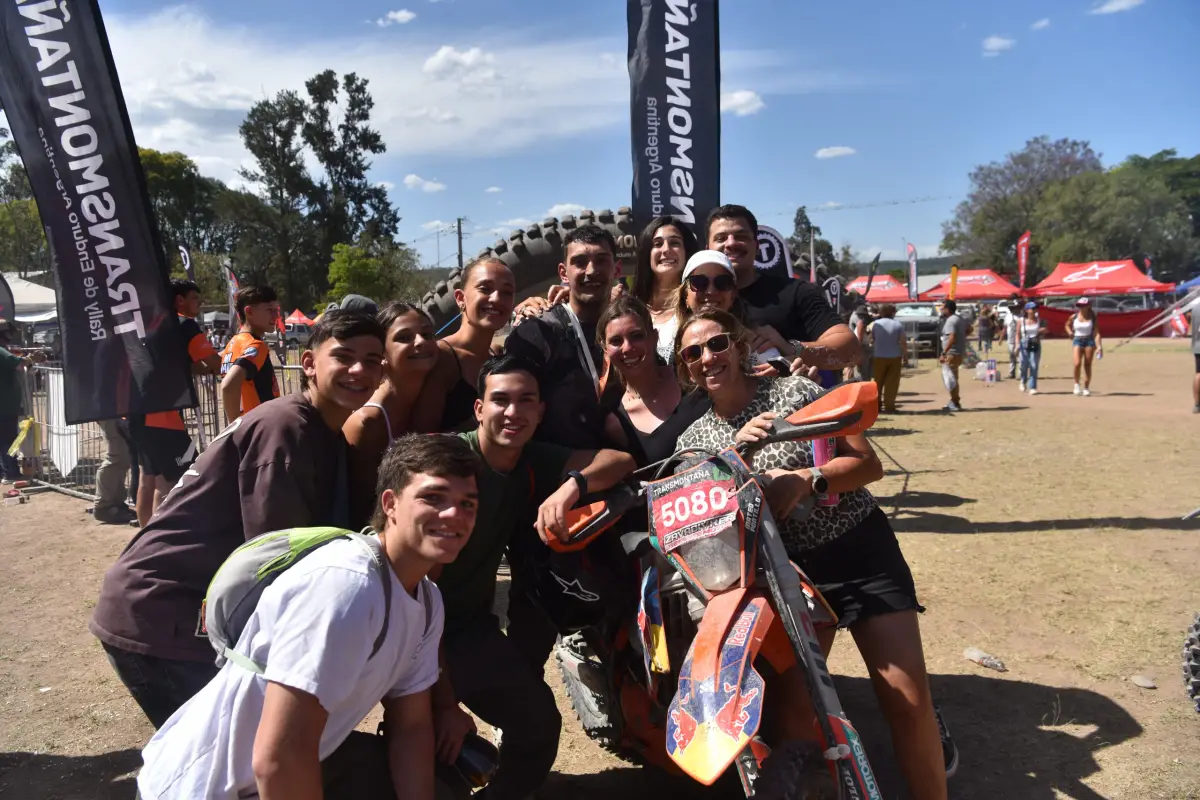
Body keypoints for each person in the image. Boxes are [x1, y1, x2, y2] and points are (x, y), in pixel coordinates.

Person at [673, 310, 950, 799]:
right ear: (684, 367)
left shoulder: (795, 395)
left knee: (906, 701)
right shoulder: (692, 444)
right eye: (692, 353)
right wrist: (735, 457)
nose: (707, 358)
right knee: (796, 719)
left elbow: (866, 465)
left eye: (716, 344)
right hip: (785, 577)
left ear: (738, 346)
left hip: (857, 552)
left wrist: (806, 480)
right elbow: (705, 532)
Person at [136, 434, 481, 800]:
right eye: (433, 497)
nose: (454, 515)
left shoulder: (427, 600)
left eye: (467, 504)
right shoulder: (347, 588)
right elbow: (279, 759)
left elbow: (411, 727)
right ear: (391, 504)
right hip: (203, 790)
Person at [90, 310, 386, 728]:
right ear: (308, 364)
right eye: (344, 356)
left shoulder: (321, 430)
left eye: (372, 360)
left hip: (179, 612)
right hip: (162, 616)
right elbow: (277, 556)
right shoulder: (286, 428)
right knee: (221, 767)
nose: (359, 369)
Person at [430, 354, 636, 800]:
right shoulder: (446, 464)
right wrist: (444, 704)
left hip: (469, 629)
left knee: (538, 725)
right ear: (479, 408)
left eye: (526, 401)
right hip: (410, 639)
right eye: (500, 400)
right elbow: (412, 596)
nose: (513, 411)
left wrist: (572, 486)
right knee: (434, 751)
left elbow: (618, 461)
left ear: (541, 411)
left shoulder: (529, 461)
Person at [503, 224, 627, 450]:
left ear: (617, 269)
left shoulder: (630, 332)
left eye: (601, 260)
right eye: (580, 262)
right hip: (557, 473)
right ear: (563, 273)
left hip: (626, 468)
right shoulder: (537, 333)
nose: (591, 271)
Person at [704, 204, 860, 373]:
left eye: (741, 236)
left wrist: (791, 349)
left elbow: (850, 351)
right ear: (707, 249)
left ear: (757, 246)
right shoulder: (694, 298)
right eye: (721, 238)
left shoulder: (795, 292)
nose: (731, 243)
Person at [129, 280, 223, 527]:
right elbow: (215, 362)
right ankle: (162, 539)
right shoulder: (184, 325)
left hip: (137, 411)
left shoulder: (153, 325)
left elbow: (180, 365)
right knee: (171, 480)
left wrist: (200, 368)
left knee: (147, 477)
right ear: (179, 300)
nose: (199, 303)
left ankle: (144, 536)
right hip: (163, 414)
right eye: (194, 298)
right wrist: (236, 362)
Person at [345, 303, 440, 529]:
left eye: (427, 334)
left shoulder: (432, 401)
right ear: (382, 355)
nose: (420, 342)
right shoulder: (367, 422)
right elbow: (360, 510)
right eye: (404, 337)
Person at [597, 295, 710, 465]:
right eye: (616, 341)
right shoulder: (616, 424)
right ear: (605, 348)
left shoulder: (690, 375)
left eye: (636, 336)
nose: (627, 347)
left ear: (654, 337)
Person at [413, 258, 516, 433]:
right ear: (461, 298)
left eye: (507, 292)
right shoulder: (441, 358)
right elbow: (423, 439)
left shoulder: (498, 355)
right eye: (485, 289)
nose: (497, 298)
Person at [630, 215, 699, 362]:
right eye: (657, 244)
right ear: (647, 253)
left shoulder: (698, 307)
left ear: (687, 252)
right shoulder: (629, 308)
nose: (666, 250)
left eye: (675, 243)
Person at [220, 285, 282, 425]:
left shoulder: (233, 343)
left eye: (276, 310)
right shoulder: (255, 345)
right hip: (259, 427)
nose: (276, 316)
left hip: (249, 425)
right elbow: (228, 386)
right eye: (269, 310)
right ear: (249, 311)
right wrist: (235, 430)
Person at [0, 319, 42, 484]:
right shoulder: (1, 351)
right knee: (9, 440)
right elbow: (19, 363)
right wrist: (31, 358)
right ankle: (10, 473)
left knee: (2, 439)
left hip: (4, 404)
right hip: (5, 405)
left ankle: (4, 471)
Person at [93, 419, 137, 524]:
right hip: (108, 412)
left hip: (113, 411)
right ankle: (103, 505)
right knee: (116, 457)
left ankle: (115, 503)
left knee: (123, 457)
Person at [870, 304, 907, 413]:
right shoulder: (897, 325)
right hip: (894, 356)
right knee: (892, 383)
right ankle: (889, 406)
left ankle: (876, 406)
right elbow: (903, 342)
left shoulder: (876, 324)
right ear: (892, 312)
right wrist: (905, 355)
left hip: (878, 356)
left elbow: (872, 339)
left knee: (878, 382)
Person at [1066, 298, 1103, 396]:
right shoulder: (1074, 316)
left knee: (1087, 365)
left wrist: (1099, 347)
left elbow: (1096, 332)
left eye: (1083, 305)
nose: (1081, 307)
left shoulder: (1093, 317)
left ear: (1088, 306)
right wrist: (1069, 332)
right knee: (1077, 363)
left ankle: (1086, 387)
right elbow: (1067, 325)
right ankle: (1076, 384)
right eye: (1080, 305)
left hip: (1089, 340)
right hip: (1077, 339)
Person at [938, 300, 970, 412]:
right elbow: (970, 329)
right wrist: (962, 337)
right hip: (958, 352)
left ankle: (955, 402)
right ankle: (954, 401)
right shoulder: (960, 318)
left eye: (942, 308)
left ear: (948, 309)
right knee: (953, 378)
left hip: (952, 353)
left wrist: (944, 353)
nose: (941, 310)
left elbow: (952, 338)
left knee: (951, 379)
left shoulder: (951, 321)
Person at [1017, 302, 1048, 395]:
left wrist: (1042, 330)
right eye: (1032, 309)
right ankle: (1023, 381)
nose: (1034, 310)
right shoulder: (1021, 320)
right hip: (1024, 342)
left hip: (1035, 342)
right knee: (1024, 364)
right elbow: (1017, 333)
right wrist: (1017, 345)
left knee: (1034, 365)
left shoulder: (1039, 320)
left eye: (1035, 309)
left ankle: (1033, 386)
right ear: (1027, 310)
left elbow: (1046, 330)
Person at [1002, 300, 1021, 380]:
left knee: (1020, 357)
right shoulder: (1008, 316)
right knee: (1011, 357)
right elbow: (1005, 327)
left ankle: (1020, 374)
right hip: (1010, 339)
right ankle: (1011, 373)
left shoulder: (1021, 316)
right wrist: (1001, 337)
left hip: (1019, 339)